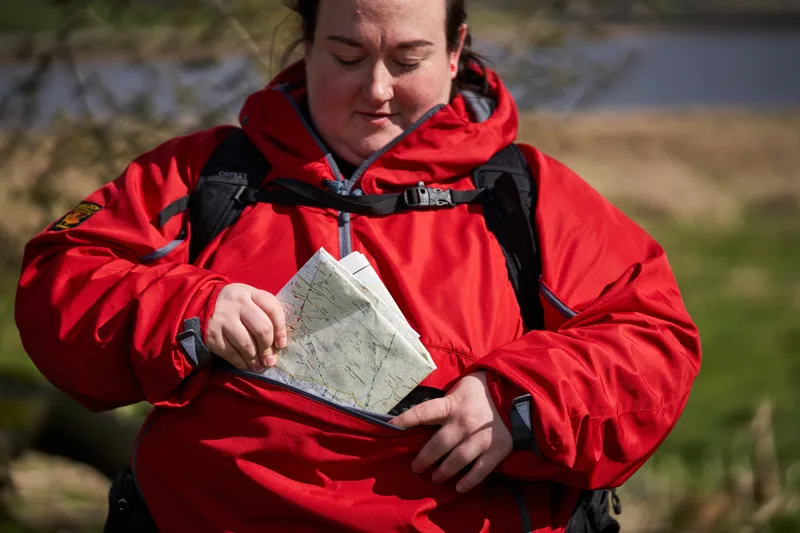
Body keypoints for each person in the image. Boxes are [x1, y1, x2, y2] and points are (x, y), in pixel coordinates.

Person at [15, 0, 701, 531]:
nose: (376, 89)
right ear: (306, 44)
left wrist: (519, 403)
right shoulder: (209, 177)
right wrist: (185, 308)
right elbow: (59, 282)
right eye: (347, 55)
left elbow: (655, 341)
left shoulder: (524, 196)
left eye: (408, 59)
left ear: (457, 49)